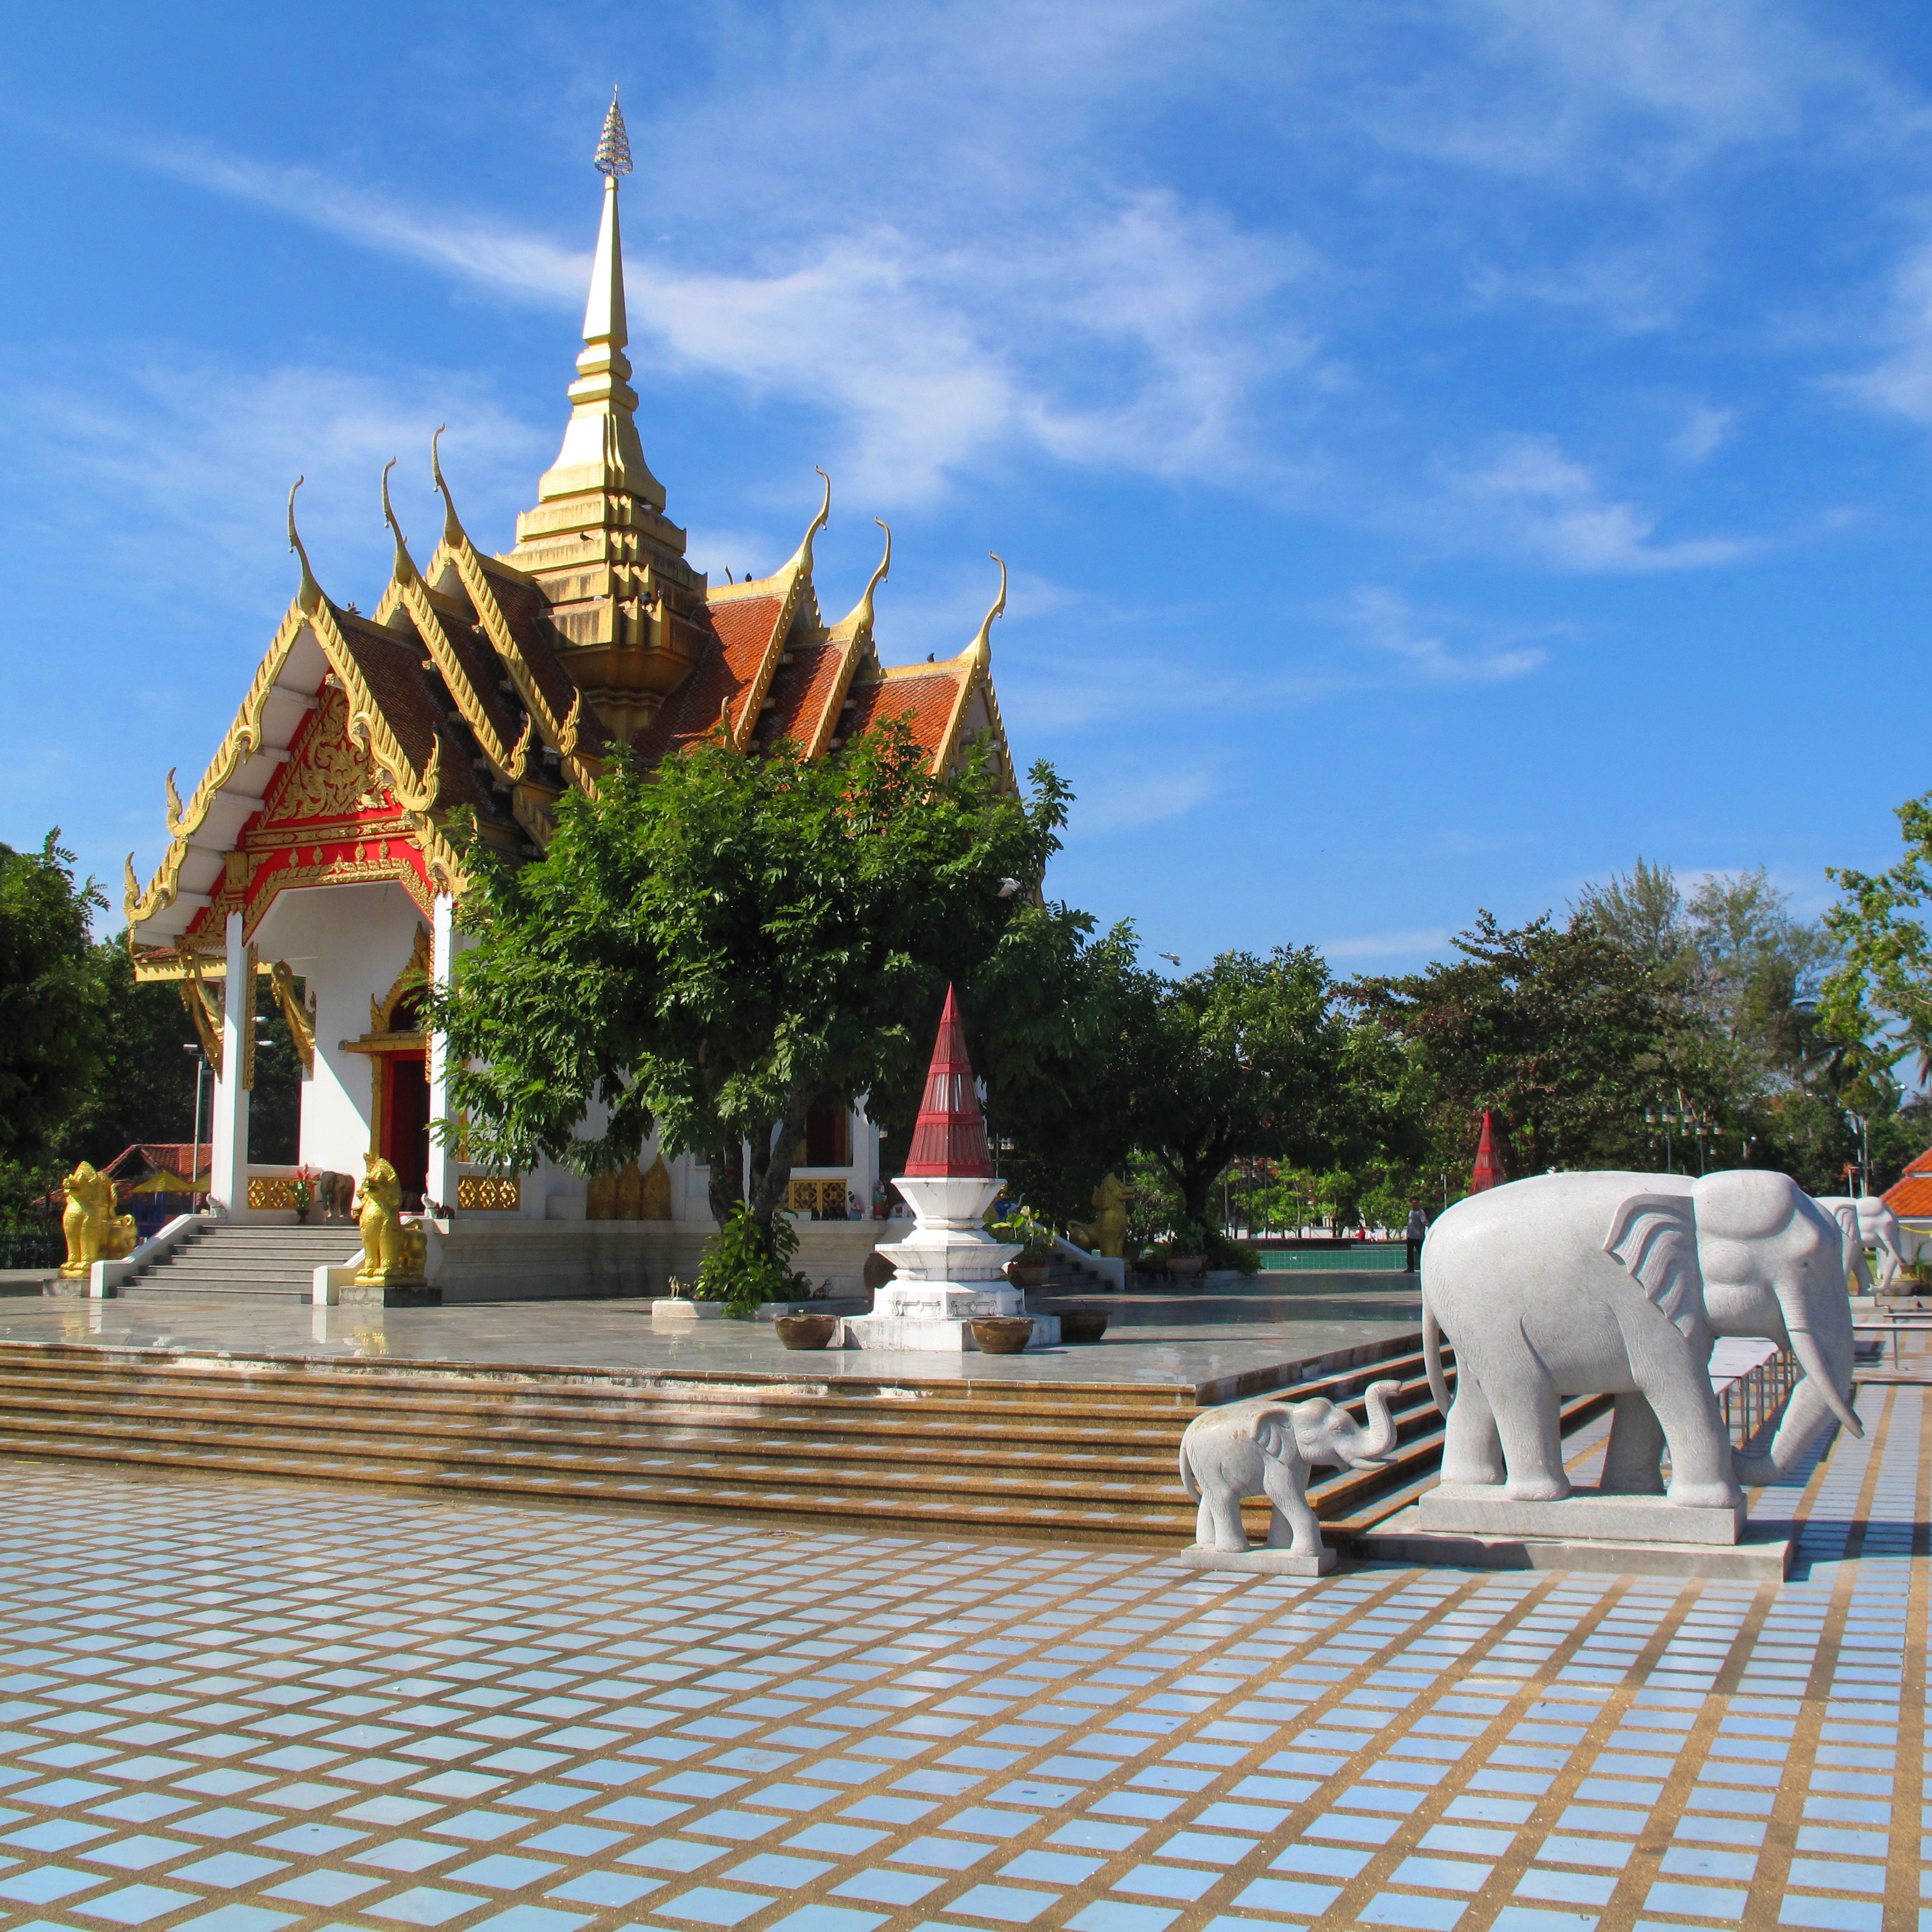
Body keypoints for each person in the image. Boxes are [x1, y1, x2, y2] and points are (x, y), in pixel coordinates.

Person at [1404, 1202, 1428, 1274]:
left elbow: (1423, 1222)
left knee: (1420, 1252)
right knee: (1410, 1253)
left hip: (1418, 1236)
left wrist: (1424, 1232)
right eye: (1413, 1203)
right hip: (1411, 1236)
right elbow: (1410, 1223)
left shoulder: (1421, 1212)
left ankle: (1424, 1267)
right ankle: (1410, 1268)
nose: (1414, 1205)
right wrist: (1408, 1233)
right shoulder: (1411, 1212)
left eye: (1416, 1203)